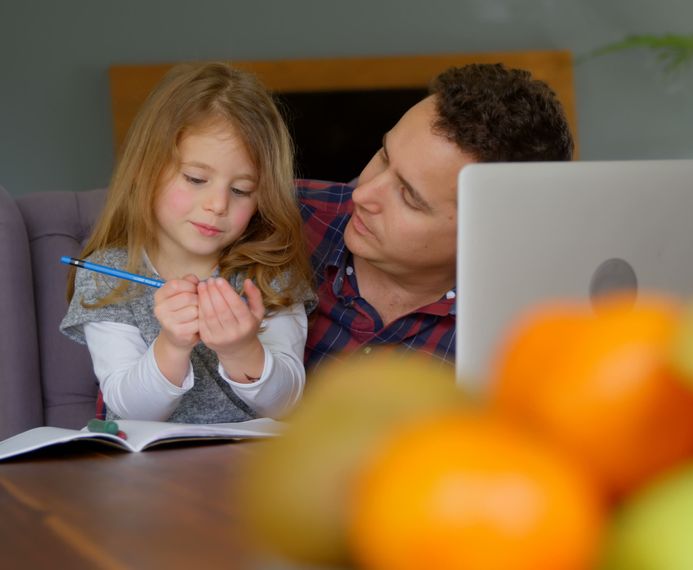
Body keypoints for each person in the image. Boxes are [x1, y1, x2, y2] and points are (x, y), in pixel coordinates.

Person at [60, 62, 315, 423]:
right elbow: (130, 410)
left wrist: (242, 349)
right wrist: (172, 345)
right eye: (196, 179)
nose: (218, 205)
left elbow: (286, 404)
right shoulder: (109, 275)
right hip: (150, 472)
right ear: (144, 170)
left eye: (242, 190)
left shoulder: (269, 269)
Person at [299, 63, 573, 371]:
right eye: (383, 156)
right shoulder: (272, 218)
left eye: (408, 197)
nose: (362, 195)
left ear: (486, 235)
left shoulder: (524, 337)